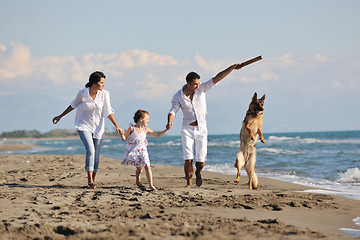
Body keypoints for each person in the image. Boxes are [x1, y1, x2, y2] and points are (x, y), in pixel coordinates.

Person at [167, 64, 243, 187]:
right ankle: (189, 183)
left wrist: (232, 67)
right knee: (188, 158)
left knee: (201, 161)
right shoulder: (178, 96)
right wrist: (170, 121)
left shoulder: (202, 88)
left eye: (198, 83)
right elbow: (173, 111)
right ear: (188, 83)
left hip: (202, 129)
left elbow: (218, 78)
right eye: (195, 84)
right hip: (187, 129)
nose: (198, 85)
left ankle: (198, 172)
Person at [52, 71, 124, 189]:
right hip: (83, 125)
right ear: (94, 83)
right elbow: (73, 105)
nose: (103, 85)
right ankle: (90, 179)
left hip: (98, 128)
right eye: (101, 83)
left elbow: (108, 111)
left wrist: (117, 125)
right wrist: (60, 116)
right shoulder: (82, 93)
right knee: (90, 150)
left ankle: (93, 179)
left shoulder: (105, 94)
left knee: (96, 155)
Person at [121, 110, 168, 190]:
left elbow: (157, 135)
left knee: (147, 166)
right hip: (134, 152)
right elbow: (124, 138)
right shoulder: (132, 128)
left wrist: (166, 129)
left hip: (143, 151)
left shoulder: (146, 129)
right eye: (147, 119)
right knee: (139, 169)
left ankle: (151, 185)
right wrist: (121, 133)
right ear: (141, 119)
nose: (148, 121)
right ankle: (138, 180)